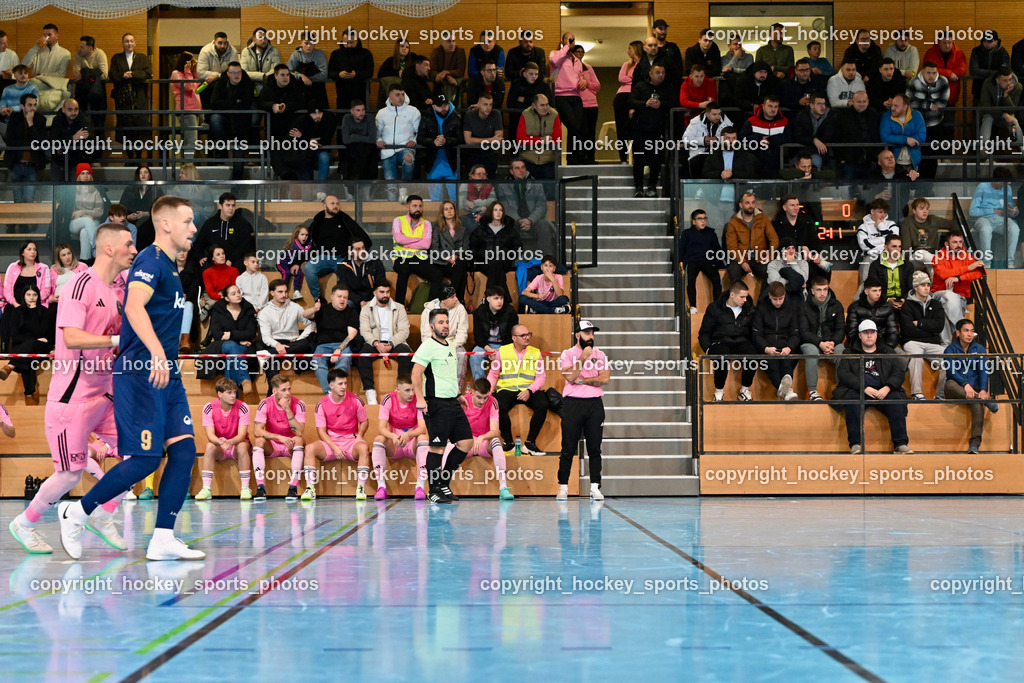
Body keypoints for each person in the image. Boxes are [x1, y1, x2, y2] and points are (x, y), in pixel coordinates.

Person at [58, 195, 205, 561]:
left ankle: (162, 538)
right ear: (166, 224)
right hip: (141, 372)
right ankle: (77, 512)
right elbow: (135, 307)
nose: (193, 228)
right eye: (187, 221)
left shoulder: (171, 267)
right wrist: (156, 353)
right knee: (145, 460)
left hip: (167, 374)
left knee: (185, 451)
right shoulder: (149, 260)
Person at [7, 223, 134, 555]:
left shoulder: (118, 288)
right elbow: (72, 337)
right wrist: (117, 340)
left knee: (138, 457)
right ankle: (25, 522)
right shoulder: (81, 285)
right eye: (129, 244)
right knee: (70, 474)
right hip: (72, 397)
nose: (134, 250)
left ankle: (103, 514)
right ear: (108, 248)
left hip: (105, 393)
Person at [412, 307, 475, 503]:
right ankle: (433, 490)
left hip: (451, 401)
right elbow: (415, 374)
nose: (445, 325)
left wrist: (457, 394)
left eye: (446, 322)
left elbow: (447, 374)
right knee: (437, 448)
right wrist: (421, 399)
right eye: (440, 322)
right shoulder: (427, 346)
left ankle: (444, 484)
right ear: (431, 326)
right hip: (435, 403)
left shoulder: (449, 344)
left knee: (466, 442)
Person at [832, 320, 912, 454]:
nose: (869, 336)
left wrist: (887, 387)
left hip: (883, 391)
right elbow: (844, 373)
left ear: (876, 334)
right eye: (865, 333)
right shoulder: (850, 352)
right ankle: (855, 444)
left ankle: (900, 444)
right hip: (860, 390)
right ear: (859, 335)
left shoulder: (887, 351)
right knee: (853, 402)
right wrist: (863, 387)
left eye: (872, 333)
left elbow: (898, 371)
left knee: (897, 401)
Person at [557, 320, 610, 501]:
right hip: (573, 404)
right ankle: (563, 486)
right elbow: (570, 376)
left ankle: (595, 486)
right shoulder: (568, 354)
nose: (591, 337)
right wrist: (582, 360)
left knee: (594, 448)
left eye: (593, 333)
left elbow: (604, 378)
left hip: (594, 404)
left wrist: (582, 380)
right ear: (577, 335)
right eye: (587, 333)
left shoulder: (601, 354)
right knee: (568, 448)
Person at [302, 369, 370, 501]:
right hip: (331, 441)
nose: (344, 387)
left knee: (363, 448)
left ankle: (361, 488)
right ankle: (310, 489)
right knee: (310, 448)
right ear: (331, 385)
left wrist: (360, 435)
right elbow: (321, 431)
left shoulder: (356, 400)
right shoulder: (322, 404)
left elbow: (364, 421)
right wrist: (334, 447)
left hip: (351, 439)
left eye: (345, 383)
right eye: (340, 384)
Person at [448, 378, 514, 499]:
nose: (482, 401)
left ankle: (503, 487)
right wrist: (469, 439)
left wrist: (481, 437)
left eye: (485, 397)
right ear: (472, 391)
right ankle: (444, 486)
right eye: (479, 397)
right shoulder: (463, 401)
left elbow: (495, 431)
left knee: (496, 441)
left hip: (483, 443)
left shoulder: (493, 402)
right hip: (466, 443)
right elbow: (453, 427)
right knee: (449, 445)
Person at [488, 323, 549, 453]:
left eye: (528, 334)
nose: (527, 337)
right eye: (523, 335)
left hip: (528, 389)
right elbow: (494, 374)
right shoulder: (503, 351)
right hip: (507, 389)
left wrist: (529, 390)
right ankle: (508, 442)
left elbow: (541, 377)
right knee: (496, 404)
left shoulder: (535, 352)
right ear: (514, 338)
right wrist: (488, 392)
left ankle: (530, 443)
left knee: (543, 404)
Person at [944, 319, 999, 454]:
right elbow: (951, 372)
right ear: (958, 333)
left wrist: (983, 389)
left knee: (977, 404)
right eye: (966, 330)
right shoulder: (949, 350)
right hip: (956, 388)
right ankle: (985, 401)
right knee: (949, 384)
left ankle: (974, 445)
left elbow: (983, 371)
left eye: (972, 331)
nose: (970, 334)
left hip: (973, 391)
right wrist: (965, 384)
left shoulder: (979, 349)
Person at [373, 374, 430, 499]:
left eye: (413, 389)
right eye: (407, 390)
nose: (411, 393)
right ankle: (381, 487)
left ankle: (420, 486)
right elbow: (381, 428)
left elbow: (422, 428)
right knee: (379, 439)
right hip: (395, 443)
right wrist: (393, 436)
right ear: (398, 389)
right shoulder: (388, 399)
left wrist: (408, 434)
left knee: (424, 438)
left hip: (411, 443)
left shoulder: (419, 400)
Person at [304, 194, 372, 301]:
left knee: (345, 279)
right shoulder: (316, 223)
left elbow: (364, 239)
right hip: (323, 257)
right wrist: (297, 262)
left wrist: (358, 255)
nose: (336, 206)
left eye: (337, 204)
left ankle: (340, 302)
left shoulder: (345, 220)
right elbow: (307, 245)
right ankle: (318, 298)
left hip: (342, 258)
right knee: (309, 268)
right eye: (332, 204)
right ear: (324, 206)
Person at [698, 280, 756, 402]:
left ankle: (745, 390)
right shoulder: (715, 308)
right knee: (722, 356)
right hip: (721, 341)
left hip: (742, 341)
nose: (745, 299)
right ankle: (719, 391)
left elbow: (755, 331)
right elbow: (704, 333)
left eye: (746, 296)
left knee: (752, 354)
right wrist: (708, 348)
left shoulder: (749, 308)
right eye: (742, 296)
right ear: (732, 294)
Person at [196, 378, 253, 500]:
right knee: (209, 446)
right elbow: (210, 436)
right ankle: (206, 489)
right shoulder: (209, 407)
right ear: (220, 394)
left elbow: (242, 435)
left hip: (237, 445)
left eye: (234, 392)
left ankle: (245, 488)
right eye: (229, 392)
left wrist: (230, 442)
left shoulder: (243, 407)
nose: (233, 395)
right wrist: (220, 442)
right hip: (220, 446)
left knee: (243, 446)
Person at [252, 374, 307, 501]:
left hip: (291, 443)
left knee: (299, 440)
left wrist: (287, 410)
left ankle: (293, 487)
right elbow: (257, 431)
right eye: (283, 390)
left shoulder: (299, 404)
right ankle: (261, 487)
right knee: (259, 441)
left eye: (289, 389)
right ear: (274, 391)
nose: (287, 393)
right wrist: (279, 437)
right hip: (274, 444)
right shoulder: (265, 403)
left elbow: (299, 432)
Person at [357, 282, 413, 405]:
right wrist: (376, 343)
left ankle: (401, 389)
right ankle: (370, 391)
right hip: (375, 343)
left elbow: (404, 331)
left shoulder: (399, 307)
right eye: (382, 292)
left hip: (394, 342)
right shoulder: (366, 309)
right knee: (363, 357)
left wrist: (392, 343)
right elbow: (365, 331)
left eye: (387, 292)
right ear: (375, 293)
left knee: (407, 355)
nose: (385, 295)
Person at [200, 283, 256, 395]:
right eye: (233, 293)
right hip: (222, 345)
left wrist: (231, 335)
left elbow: (251, 333)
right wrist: (238, 338)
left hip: (243, 346)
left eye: (239, 292)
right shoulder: (218, 309)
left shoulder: (248, 308)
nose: (238, 295)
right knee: (231, 346)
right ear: (226, 298)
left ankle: (231, 398)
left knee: (232, 358)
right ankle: (244, 379)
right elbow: (216, 334)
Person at [900, 270, 948, 401]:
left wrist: (919, 323)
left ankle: (940, 395)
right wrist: (929, 328)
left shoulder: (936, 304)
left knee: (950, 359)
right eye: (923, 285)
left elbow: (939, 326)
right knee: (916, 357)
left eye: (928, 284)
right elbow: (907, 330)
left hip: (933, 343)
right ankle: (917, 393)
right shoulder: (907, 306)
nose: (927, 288)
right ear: (915, 287)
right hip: (912, 342)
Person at [497, 158, 557, 258]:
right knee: (506, 227)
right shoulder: (503, 186)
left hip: (534, 220)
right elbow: (505, 207)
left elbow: (541, 206)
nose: (521, 170)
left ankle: (546, 262)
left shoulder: (536, 184)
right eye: (517, 168)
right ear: (511, 171)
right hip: (514, 220)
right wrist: (519, 220)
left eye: (523, 167)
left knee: (544, 227)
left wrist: (530, 220)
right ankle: (510, 263)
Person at [931, 230, 984, 342]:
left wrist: (959, 278)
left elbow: (980, 272)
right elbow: (943, 274)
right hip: (938, 295)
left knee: (943, 312)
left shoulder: (967, 257)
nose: (958, 245)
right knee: (949, 295)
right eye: (954, 242)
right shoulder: (938, 257)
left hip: (960, 299)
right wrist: (968, 268)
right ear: (947, 244)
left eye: (960, 242)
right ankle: (963, 329)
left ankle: (945, 345)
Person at [799, 276, 846, 401]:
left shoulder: (836, 305)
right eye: (819, 290)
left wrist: (832, 342)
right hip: (812, 342)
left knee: (842, 351)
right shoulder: (804, 306)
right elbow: (804, 332)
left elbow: (841, 329)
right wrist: (820, 343)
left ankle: (840, 389)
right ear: (812, 291)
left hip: (831, 342)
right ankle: (813, 392)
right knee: (811, 352)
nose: (822, 293)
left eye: (825, 289)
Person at [5, 93, 46, 232]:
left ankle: (24, 227)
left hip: (31, 166)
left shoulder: (40, 120)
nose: (33, 108)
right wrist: (28, 143)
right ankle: (15, 225)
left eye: (35, 105)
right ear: (22, 106)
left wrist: (30, 124)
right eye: (29, 105)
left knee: (29, 199)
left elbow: (39, 142)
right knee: (17, 199)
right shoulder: (14, 119)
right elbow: (10, 140)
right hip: (16, 164)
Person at [752, 281, 800, 400]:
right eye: (775, 299)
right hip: (767, 346)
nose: (778, 302)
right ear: (769, 296)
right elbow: (756, 334)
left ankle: (784, 391)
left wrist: (789, 347)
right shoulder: (761, 308)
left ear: (785, 295)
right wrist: (766, 348)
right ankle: (787, 391)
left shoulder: (791, 308)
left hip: (786, 345)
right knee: (772, 365)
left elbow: (795, 333)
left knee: (787, 362)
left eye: (781, 298)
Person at [628, 62, 671, 197]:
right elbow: (630, 101)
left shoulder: (667, 88)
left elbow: (674, 102)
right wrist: (645, 104)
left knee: (656, 159)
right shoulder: (640, 86)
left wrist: (661, 105)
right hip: (640, 129)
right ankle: (638, 187)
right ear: (651, 73)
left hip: (658, 130)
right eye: (658, 72)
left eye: (663, 72)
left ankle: (652, 186)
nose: (661, 75)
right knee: (639, 159)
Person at [308, 284, 360, 393]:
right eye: (339, 296)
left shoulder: (351, 312)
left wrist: (339, 350)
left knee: (344, 360)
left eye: (345, 297)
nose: (342, 300)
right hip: (323, 345)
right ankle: (330, 393)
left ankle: (337, 391)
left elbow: (351, 335)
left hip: (342, 345)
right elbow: (304, 314)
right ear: (332, 297)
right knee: (316, 361)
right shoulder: (323, 308)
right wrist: (314, 309)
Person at [209, 62, 257, 179]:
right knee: (215, 118)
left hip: (241, 126)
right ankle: (223, 146)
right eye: (233, 73)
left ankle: (237, 190)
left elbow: (245, 104)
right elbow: (214, 103)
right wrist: (235, 102)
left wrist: (227, 104)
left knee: (239, 163)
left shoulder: (248, 84)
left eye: (238, 72)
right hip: (225, 122)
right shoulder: (221, 83)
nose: (237, 75)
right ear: (228, 74)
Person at [725, 191, 780, 290]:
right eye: (747, 203)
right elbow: (731, 246)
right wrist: (742, 261)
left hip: (760, 257)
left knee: (771, 273)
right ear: (741, 205)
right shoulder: (733, 222)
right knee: (733, 271)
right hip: (741, 258)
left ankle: (762, 302)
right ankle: (738, 301)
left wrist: (769, 255)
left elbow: (774, 239)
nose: (751, 205)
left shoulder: (763, 218)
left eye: (753, 202)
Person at [392, 195, 441, 305]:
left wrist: (407, 243)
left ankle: (430, 307)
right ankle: (399, 306)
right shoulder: (398, 221)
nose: (418, 209)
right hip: (402, 258)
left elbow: (426, 244)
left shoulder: (426, 224)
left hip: (420, 258)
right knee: (403, 272)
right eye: (414, 206)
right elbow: (399, 239)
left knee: (437, 274)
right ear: (407, 207)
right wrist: (417, 239)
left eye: (420, 206)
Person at [470, 200, 523, 301]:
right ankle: (505, 299)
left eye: (500, 210)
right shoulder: (481, 229)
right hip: (485, 262)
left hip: (504, 261)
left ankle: (488, 298)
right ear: (491, 212)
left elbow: (518, 248)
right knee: (497, 269)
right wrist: (484, 255)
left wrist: (506, 255)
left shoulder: (510, 230)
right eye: (495, 210)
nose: (498, 212)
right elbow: (473, 248)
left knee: (496, 263)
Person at [109, 33, 152, 158]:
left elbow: (148, 72)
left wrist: (132, 74)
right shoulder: (116, 58)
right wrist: (123, 75)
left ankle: (138, 156)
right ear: (123, 44)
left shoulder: (142, 57)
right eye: (127, 41)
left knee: (139, 127)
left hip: (138, 99)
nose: (129, 44)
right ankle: (129, 156)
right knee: (125, 128)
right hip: (123, 100)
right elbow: (112, 74)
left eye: (131, 41)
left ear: (135, 43)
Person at [907, 62, 951, 178]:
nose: (931, 76)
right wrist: (929, 106)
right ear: (922, 72)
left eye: (934, 73)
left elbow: (943, 102)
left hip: (935, 123)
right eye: (928, 73)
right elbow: (910, 102)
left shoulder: (943, 81)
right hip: (917, 125)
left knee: (933, 155)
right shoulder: (914, 82)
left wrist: (921, 104)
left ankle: (930, 182)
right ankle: (918, 181)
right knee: (918, 154)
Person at [376, 84, 420, 197]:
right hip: (387, 149)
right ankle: (392, 200)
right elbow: (377, 132)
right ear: (390, 96)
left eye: (402, 94)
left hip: (406, 147)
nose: (401, 97)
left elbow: (419, 131)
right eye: (397, 95)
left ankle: (404, 187)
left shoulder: (413, 111)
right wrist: (379, 140)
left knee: (408, 158)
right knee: (391, 188)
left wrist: (414, 140)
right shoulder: (381, 113)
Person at [191, 192, 255, 271]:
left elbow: (245, 245)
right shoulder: (210, 223)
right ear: (220, 206)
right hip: (214, 260)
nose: (231, 208)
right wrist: (201, 257)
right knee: (203, 264)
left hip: (234, 260)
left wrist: (231, 260)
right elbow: (199, 244)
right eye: (228, 205)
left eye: (233, 205)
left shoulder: (242, 223)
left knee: (242, 264)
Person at [970, 168, 1019, 268]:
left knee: (1014, 228)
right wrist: (993, 211)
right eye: (1006, 181)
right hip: (983, 218)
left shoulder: (1007, 189)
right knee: (985, 229)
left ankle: (1009, 262)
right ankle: (986, 263)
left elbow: (1010, 206)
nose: (1008, 184)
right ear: (997, 180)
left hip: (1001, 219)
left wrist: (1013, 211)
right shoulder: (982, 187)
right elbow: (973, 211)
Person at [550, 32, 587, 165]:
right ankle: (579, 154)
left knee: (577, 127)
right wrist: (565, 46)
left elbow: (580, 76)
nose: (571, 41)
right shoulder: (556, 54)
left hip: (576, 97)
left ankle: (573, 158)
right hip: (561, 96)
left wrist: (584, 82)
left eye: (572, 39)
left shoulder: (577, 61)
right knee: (573, 124)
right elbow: (554, 61)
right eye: (568, 39)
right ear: (563, 41)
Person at [420, 285, 468, 384]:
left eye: (455, 296)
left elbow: (462, 333)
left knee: (462, 355)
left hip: (453, 343)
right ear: (443, 300)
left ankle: (457, 390)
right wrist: (438, 347)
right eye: (452, 297)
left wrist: (450, 346)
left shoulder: (460, 308)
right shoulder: (428, 310)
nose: (456, 299)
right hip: (433, 344)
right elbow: (425, 335)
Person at [417, 94, 460, 202]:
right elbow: (420, 138)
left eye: (445, 105)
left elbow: (461, 138)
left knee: (456, 201)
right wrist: (433, 142)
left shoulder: (456, 117)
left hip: (452, 165)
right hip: (433, 165)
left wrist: (446, 141)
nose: (444, 108)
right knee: (435, 201)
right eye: (440, 106)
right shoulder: (426, 117)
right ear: (433, 106)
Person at [679, 209, 724, 312]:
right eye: (700, 219)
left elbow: (717, 250)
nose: (703, 221)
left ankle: (717, 306)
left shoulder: (711, 233)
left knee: (716, 279)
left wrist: (721, 265)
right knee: (690, 279)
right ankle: (693, 306)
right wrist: (679, 265)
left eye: (704, 218)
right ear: (694, 221)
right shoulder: (687, 233)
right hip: (692, 261)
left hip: (707, 261)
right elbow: (681, 250)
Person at [470, 287, 518, 380]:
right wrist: (489, 349)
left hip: (505, 345)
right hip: (485, 345)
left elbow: (512, 336)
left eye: (501, 298)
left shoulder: (510, 311)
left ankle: (507, 387)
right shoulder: (479, 312)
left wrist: (499, 350)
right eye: (496, 298)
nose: (499, 301)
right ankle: (481, 387)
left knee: (512, 356)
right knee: (475, 356)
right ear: (488, 299)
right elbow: (478, 336)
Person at [515, 93, 561, 182]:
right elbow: (520, 139)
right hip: (529, 159)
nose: (545, 107)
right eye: (542, 105)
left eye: (547, 104)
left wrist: (531, 140)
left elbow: (557, 139)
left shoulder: (554, 114)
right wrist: (541, 140)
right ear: (534, 106)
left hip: (548, 160)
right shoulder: (525, 114)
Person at [739, 94, 790, 173]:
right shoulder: (751, 121)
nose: (773, 109)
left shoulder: (784, 122)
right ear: (763, 106)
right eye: (770, 106)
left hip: (777, 165)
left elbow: (790, 137)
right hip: (754, 164)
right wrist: (759, 138)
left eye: (776, 106)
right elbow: (742, 139)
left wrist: (771, 140)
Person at [837, 91, 882, 179]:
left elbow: (878, 136)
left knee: (869, 191)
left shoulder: (875, 115)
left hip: (870, 161)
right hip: (849, 161)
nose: (862, 104)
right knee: (847, 190)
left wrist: (876, 157)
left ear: (868, 101)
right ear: (852, 102)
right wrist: (841, 159)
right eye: (859, 102)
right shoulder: (843, 116)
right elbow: (836, 137)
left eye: (864, 101)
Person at [430, 202, 470, 300]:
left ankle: (450, 296)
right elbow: (434, 248)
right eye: (446, 209)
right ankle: (458, 301)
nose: (449, 211)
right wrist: (447, 258)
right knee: (462, 272)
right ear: (442, 213)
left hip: (456, 261)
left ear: (455, 211)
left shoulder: (462, 227)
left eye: (451, 208)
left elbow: (465, 247)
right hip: (442, 262)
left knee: (461, 265)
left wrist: (456, 256)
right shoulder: (437, 227)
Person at [682, 101, 732, 178]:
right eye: (714, 114)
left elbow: (731, 136)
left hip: (719, 154)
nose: (718, 117)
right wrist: (703, 140)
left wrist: (718, 139)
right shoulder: (696, 121)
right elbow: (685, 139)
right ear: (707, 114)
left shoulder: (725, 120)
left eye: (719, 114)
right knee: (695, 163)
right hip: (699, 155)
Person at [47, 97, 92, 182]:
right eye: (70, 109)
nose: (73, 113)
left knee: (74, 191)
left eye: (76, 109)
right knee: (57, 192)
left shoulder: (83, 121)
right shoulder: (57, 120)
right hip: (58, 161)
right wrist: (73, 138)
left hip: (77, 161)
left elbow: (84, 144)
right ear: (63, 109)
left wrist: (63, 146)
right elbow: (54, 142)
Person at [846, 278, 899, 349]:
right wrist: (864, 347)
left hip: (884, 345)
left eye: (879, 290)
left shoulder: (888, 308)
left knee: (904, 359)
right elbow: (851, 333)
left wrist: (886, 348)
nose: (878, 294)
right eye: (874, 291)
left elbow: (893, 332)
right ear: (866, 292)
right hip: (861, 345)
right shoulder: (855, 308)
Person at [856, 199, 899, 285]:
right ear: (872, 211)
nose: (883, 215)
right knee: (865, 281)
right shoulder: (863, 227)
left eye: (884, 212)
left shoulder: (891, 224)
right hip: (871, 256)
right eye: (880, 212)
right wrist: (884, 241)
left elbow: (894, 242)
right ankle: (860, 298)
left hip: (889, 256)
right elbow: (864, 245)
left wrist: (880, 226)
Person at [901, 197, 952, 271]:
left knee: (932, 268)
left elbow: (953, 224)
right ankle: (942, 264)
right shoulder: (907, 222)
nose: (925, 211)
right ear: (914, 211)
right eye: (921, 209)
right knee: (922, 254)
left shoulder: (933, 219)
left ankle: (934, 281)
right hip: (914, 258)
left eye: (927, 209)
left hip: (932, 257)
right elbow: (906, 249)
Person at [879, 93, 926, 174]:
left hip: (913, 164)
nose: (892, 108)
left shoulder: (916, 116)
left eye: (896, 106)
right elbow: (885, 136)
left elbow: (922, 136)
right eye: (892, 105)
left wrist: (901, 139)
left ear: (905, 107)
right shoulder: (887, 116)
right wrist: (906, 139)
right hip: (894, 164)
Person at [462, 91, 503, 178]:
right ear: (478, 105)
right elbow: (468, 140)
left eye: (490, 105)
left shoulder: (496, 114)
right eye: (485, 104)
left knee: (490, 183)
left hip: (490, 154)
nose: (488, 108)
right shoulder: (470, 115)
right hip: (473, 154)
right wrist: (490, 140)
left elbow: (498, 140)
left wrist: (478, 140)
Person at [507, 61, 553, 138]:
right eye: (531, 74)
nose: (534, 76)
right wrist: (536, 103)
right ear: (524, 74)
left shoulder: (543, 84)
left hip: (538, 117)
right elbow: (510, 103)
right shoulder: (516, 83)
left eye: (536, 74)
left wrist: (525, 100)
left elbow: (548, 102)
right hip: (519, 116)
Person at [978, 67, 1023, 147]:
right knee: (987, 120)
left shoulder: (1017, 87)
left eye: (1010, 79)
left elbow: (1012, 110)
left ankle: (1023, 152)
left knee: (1014, 121)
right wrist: (1003, 114)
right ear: (997, 80)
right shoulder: (988, 84)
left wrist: (1006, 95)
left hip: (1007, 114)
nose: (1009, 83)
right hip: (991, 113)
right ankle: (983, 156)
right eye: (1005, 80)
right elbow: (986, 106)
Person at [329, 29, 373, 109]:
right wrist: (339, 74)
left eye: (351, 42)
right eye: (346, 42)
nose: (349, 45)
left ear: (357, 40)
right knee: (342, 116)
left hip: (361, 93)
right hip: (342, 93)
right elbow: (329, 72)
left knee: (361, 116)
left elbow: (370, 72)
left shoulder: (366, 53)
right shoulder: (335, 54)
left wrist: (356, 74)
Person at [336, 237, 386, 308]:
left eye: (363, 248)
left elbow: (381, 285)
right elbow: (345, 288)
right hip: (353, 300)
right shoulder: (343, 266)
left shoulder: (375, 263)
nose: (362, 251)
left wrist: (372, 301)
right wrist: (360, 301)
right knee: (343, 303)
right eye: (358, 249)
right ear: (350, 252)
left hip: (373, 299)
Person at [867, 233, 914, 308]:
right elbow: (873, 287)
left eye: (899, 246)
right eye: (894, 246)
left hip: (904, 300)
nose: (897, 249)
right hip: (882, 300)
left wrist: (904, 299)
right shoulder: (876, 265)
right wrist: (888, 300)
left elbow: (910, 287)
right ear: (885, 247)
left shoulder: (907, 265)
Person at [71, 35, 107, 133]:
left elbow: (104, 74)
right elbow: (76, 75)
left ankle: (98, 147)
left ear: (90, 48)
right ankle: (83, 147)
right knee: (81, 122)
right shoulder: (78, 54)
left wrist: (84, 72)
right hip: (82, 92)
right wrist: (94, 73)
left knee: (99, 123)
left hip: (97, 91)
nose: (80, 49)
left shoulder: (99, 54)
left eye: (82, 47)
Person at [615, 41, 643, 162]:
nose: (628, 51)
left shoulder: (643, 64)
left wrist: (631, 79)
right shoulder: (626, 65)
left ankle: (638, 158)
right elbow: (621, 78)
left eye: (630, 48)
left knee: (636, 129)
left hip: (636, 96)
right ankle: (623, 158)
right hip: (621, 97)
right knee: (621, 129)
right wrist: (633, 79)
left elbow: (642, 80)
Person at [4, 240, 54, 309]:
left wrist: (32, 302)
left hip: (35, 305)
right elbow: (7, 290)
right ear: (22, 252)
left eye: (35, 250)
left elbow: (46, 290)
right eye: (29, 249)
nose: (33, 252)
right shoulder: (12, 267)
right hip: (15, 305)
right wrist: (15, 304)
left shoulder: (44, 268)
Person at [169, 51, 201, 160]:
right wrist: (187, 70)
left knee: (189, 139)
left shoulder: (190, 75)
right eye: (192, 62)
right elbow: (187, 87)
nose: (193, 64)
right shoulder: (176, 73)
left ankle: (186, 164)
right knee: (191, 140)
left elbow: (197, 85)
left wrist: (194, 71)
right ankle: (188, 164)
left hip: (196, 110)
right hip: (186, 110)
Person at [924, 32, 968, 106]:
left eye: (949, 43)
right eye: (944, 43)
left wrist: (940, 72)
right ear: (939, 43)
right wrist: (949, 74)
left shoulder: (959, 53)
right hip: (933, 94)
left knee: (950, 116)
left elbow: (962, 70)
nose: (947, 46)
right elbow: (928, 70)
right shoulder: (930, 53)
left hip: (952, 94)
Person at [341, 100, 378, 182]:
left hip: (367, 152)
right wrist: (364, 138)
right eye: (358, 110)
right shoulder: (347, 118)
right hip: (352, 153)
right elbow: (346, 140)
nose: (361, 113)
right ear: (352, 111)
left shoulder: (369, 118)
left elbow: (372, 139)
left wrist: (353, 137)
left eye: (363, 110)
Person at [969, 31, 1010, 108]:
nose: (987, 43)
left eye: (990, 41)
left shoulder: (1003, 52)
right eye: (985, 41)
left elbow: (1004, 72)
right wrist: (995, 73)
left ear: (996, 42)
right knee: (977, 115)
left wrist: (984, 72)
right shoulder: (976, 51)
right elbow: (973, 71)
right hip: (979, 90)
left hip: (997, 90)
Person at [287, 33, 329, 104]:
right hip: (300, 90)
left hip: (317, 90)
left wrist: (307, 78)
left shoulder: (320, 54)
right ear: (301, 43)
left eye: (312, 43)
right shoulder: (296, 54)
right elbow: (287, 73)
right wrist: (300, 76)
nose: (309, 46)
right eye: (306, 43)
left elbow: (324, 74)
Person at [200, 246, 240, 320]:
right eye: (218, 255)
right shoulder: (207, 272)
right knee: (219, 305)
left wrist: (225, 296)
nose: (222, 256)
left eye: (223, 254)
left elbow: (233, 287)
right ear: (212, 258)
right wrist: (222, 297)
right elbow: (210, 291)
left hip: (228, 295)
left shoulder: (234, 270)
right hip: (214, 296)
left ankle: (207, 308)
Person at [428, 32, 466, 104]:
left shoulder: (460, 51)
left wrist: (446, 72)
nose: (452, 44)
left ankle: (452, 107)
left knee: (453, 83)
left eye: (453, 41)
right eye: (449, 41)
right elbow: (431, 71)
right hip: (440, 84)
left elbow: (460, 72)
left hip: (455, 84)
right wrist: (447, 76)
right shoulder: (436, 51)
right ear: (442, 43)